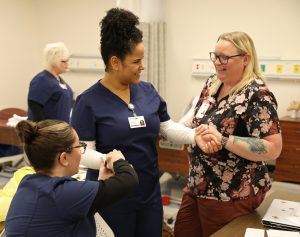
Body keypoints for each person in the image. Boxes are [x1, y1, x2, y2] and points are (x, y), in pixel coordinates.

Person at [71, 8, 200, 237]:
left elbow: (166, 127)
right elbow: (83, 153)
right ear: (115, 62)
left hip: (149, 194)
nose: (142, 66)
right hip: (111, 198)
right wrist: (111, 161)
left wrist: (195, 136)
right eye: (136, 61)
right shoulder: (88, 102)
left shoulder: (147, 91)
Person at [174, 31, 282, 237]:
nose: (217, 62)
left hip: (230, 195)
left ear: (245, 59)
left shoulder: (256, 94)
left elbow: (272, 148)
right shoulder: (212, 84)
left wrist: (223, 140)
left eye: (225, 57)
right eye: (215, 56)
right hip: (197, 186)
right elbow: (196, 122)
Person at [5, 119, 138, 237]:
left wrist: (101, 183)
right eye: (79, 146)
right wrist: (118, 160)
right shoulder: (61, 193)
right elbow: (129, 179)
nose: (81, 151)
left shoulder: (29, 182)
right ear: (63, 158)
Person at [27, 42, 73, 123]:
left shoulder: (58, 80)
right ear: (53, 62)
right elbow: (34, 105)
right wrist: (43, 130)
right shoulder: (42, 80)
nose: (67, 64)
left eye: (67, 61)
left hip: (61, 129)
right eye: (63, 61)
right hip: (47, 131)